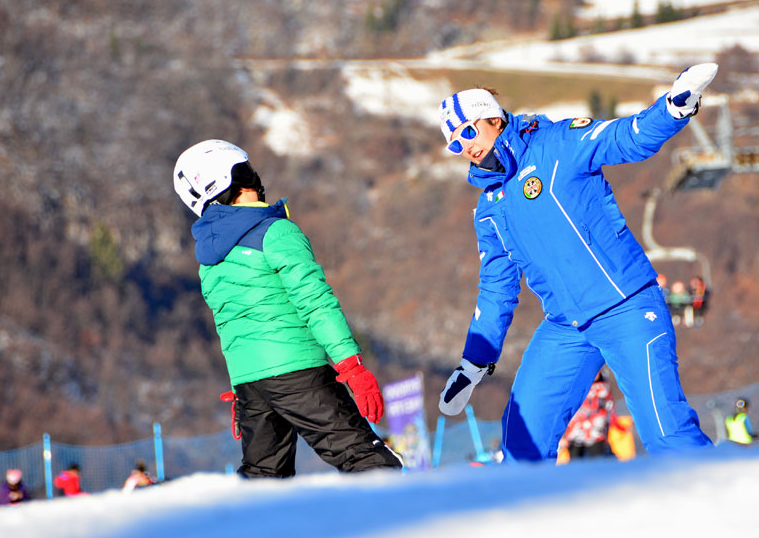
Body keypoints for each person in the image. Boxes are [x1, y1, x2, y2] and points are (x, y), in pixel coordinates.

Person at [437, 64, 718, 462]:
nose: (465, 145)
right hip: (566, 326)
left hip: (627, 307)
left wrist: (673, 109)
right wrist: (474, 361)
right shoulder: (488, 209)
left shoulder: (557, 144)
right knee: (522, 446)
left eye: (469, 131)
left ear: (494, 118)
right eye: (454, 141)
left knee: (668, 437)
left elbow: (627, 137)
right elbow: (497, 290)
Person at [173, 140, 402, 478]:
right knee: (370, 463)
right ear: (234, 178)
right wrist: (352, 367)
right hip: (299, 371)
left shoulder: (209, 260)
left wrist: (244, 390)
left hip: (250, 384)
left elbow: (232, 325)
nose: (255, 178)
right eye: (246, 170)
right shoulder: (275, 232)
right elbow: (316, 302)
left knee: (264, 479)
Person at [560, 370, 615, 459]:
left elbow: (610, 407)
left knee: (598, 464)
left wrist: (609, 427)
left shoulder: (604, 385)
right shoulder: (574, 384)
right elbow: (564, 409)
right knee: (575, 466)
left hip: (596, 433)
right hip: (575, 433)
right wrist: (563, 435)